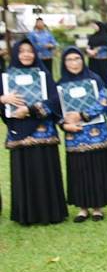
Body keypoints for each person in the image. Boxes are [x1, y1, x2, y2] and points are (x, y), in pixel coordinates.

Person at [0, 39, 66, 225]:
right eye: (22, 51)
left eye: (30, 51)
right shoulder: (7, 76)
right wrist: (2, 99)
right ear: (15, 54)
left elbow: (55, 101)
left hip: (43, 132)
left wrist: (30, 110)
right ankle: (26, 215)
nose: (26, 55)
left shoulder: (43, 75)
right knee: (24, 172)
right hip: (18, 131)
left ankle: (51, 213)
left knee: (45, 170)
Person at [57, 47, 107, 222]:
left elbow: (104, 100)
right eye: (69, 59)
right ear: (64, 63)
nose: (74, 63)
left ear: (82, 60)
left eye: (77, 59)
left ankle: (98, 207)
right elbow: (55, 110)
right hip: (74, 136)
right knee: (79, 168)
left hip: (96, 133)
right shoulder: (60, 84)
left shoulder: (94, 79)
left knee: (97, 167)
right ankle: (82, 208)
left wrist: (82, 115)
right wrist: (64, 124)